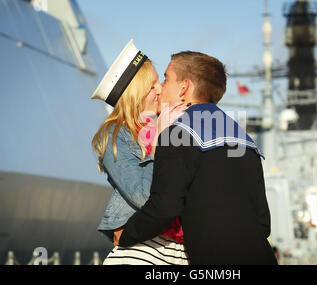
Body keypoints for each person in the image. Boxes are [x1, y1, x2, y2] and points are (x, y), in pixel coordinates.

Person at [117, 51, 278, 265]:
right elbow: (263, 222)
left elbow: (165, 207)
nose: (160, 87)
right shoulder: (244, 139)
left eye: (166, 78)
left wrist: (127, 235)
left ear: (184, 87)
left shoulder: (177, 134)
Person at [91, 40, 189, 265]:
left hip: (179, 248)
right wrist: (159, 141)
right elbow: (144, 196)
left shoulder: (171, 125)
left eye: (159, 82)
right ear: (135, 92)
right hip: (142, 248)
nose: (160, 89)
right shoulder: (116, 135)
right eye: (152, 84)